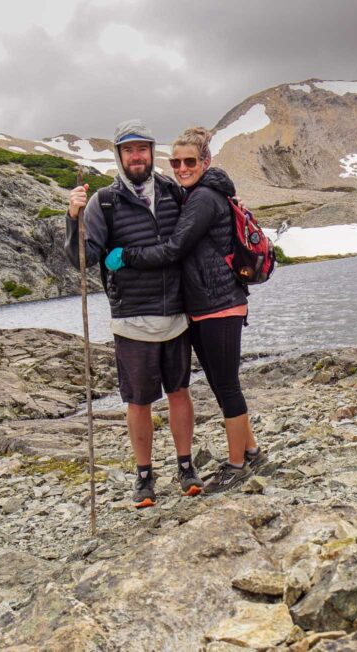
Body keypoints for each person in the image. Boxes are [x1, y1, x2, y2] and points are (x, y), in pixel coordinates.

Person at [105, 127, 265, 495]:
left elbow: (175, 248)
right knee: (223, 383)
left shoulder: (203, 198)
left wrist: (127, 256)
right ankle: (251, 450)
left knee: (226, 386)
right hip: (208, 305)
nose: (181, 167)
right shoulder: (197, 193)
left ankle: (237, 465)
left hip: (218, 305)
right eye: (175, 162)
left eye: (189, 161)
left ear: (205, 162)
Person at [65, 119, 203, 508]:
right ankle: (144, 477)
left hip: (176, 314)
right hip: (131, 319)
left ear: (151, 151)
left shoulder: (174, 192)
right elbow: (84, 258)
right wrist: (72, 218)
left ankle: (186, 466)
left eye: (142, 148)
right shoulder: (103, 202)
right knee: (138, 400)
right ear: (119, 155)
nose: (137, 156)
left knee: (179, 392)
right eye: (129, 150)